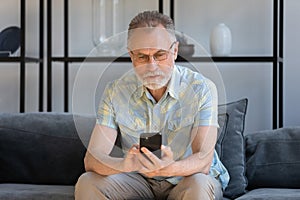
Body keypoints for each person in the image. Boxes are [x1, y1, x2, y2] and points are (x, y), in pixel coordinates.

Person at [75, 10, 229, 200]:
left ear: (174, 50)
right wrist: (126, 165)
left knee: (199, 185)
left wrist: (168, 168)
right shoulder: (115, 91)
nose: (152, 66)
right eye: (142, 57)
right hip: (138, 180)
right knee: (88, 181)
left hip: (187, 177)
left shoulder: (201, 88)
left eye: (160, 55)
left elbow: (203, 159)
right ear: (131, 55)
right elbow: (92, 159)